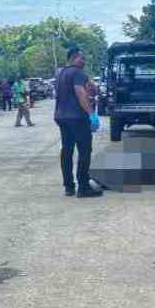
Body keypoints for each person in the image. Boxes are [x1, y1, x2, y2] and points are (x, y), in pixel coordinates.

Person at [54, 48, 101, 198]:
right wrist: (91, 114)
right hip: (77, 117)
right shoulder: (77, 73)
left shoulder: (61, 73)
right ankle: (84, 187)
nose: (84, 61)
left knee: (67, 150)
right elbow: (81, 93)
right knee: (84, 150)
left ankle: (69, 187)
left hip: (62, 117)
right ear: (74, 58)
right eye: (82, 58)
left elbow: (90, 89)